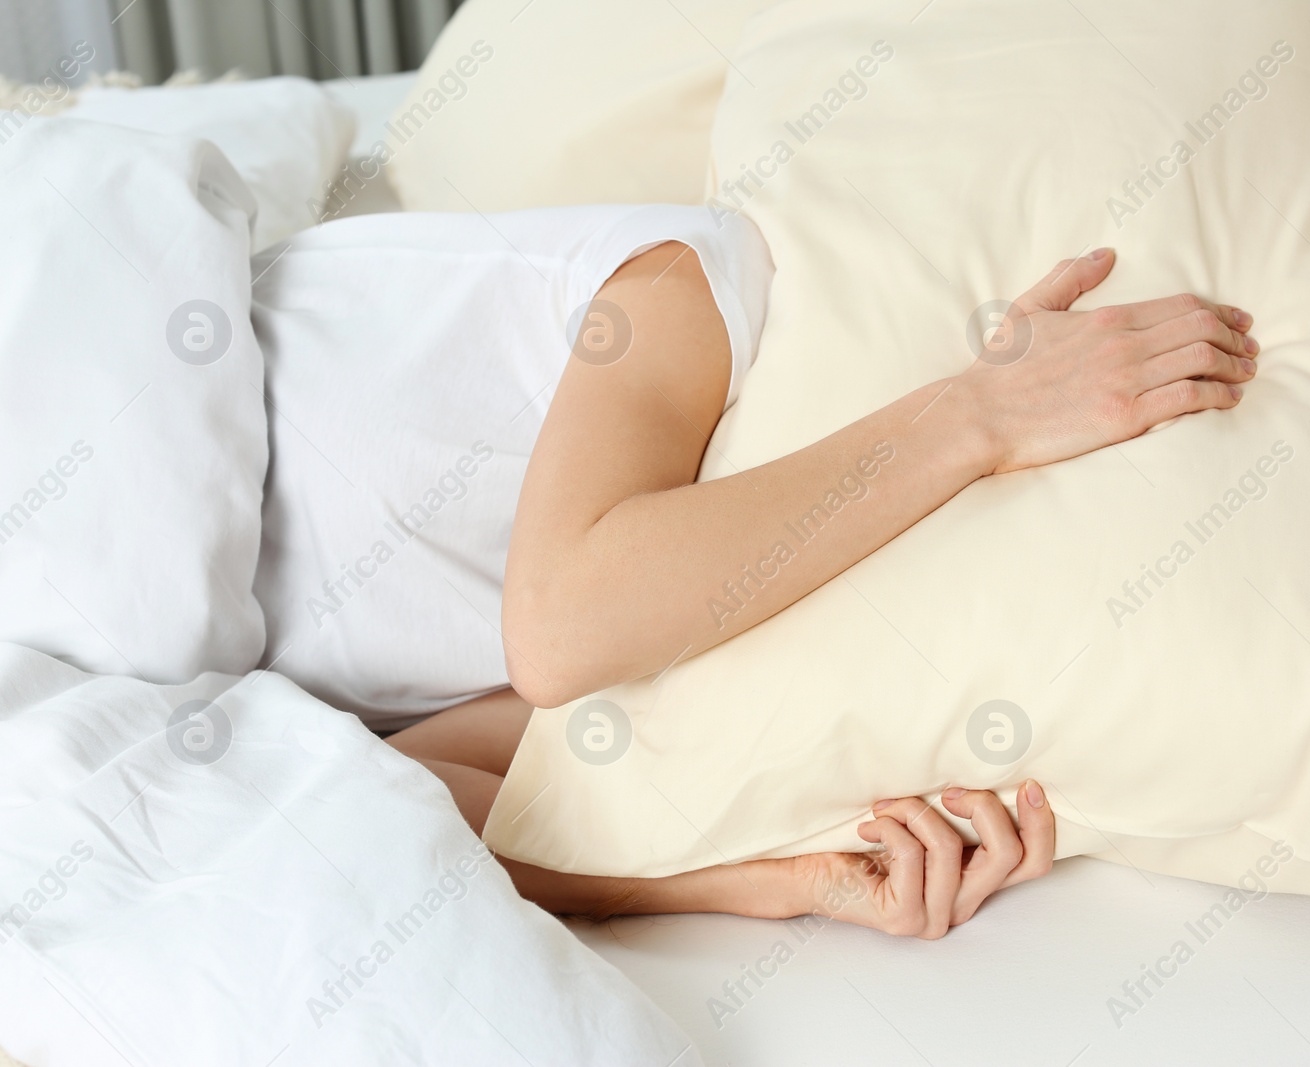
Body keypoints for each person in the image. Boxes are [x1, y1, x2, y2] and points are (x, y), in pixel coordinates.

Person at [382, 213, 1258, 939]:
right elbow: (465, 729)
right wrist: (766, 878)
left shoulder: (678, 285)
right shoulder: (673, 291)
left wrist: (980, 414)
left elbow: (510, 693)